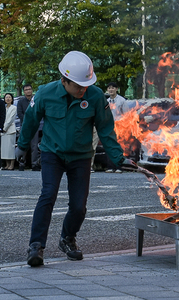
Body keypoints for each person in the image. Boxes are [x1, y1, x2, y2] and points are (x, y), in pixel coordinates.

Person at [16, 51, 135, 267]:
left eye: (85, 85)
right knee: (48, 195)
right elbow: (31, 121)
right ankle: (36, 245)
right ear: (64, 80)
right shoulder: (45, 93)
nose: (82, 89)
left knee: (79, 206)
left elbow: (106, 129)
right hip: (53, 153)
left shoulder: (96, 96)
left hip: (81, 156)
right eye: (78, 86)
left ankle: (68, 238)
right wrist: (22, 146)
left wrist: (118, 158)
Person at [104, 82, 128, 173]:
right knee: (109, 145)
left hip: (120, 126)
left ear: (116, 89)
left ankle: (119, 166)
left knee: (119, 146)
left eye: (113, 88)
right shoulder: (106, 101)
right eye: (109, 88)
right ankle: (110, 166)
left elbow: (126, 114)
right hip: (109, 126)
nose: (111, 90)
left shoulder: (122, 101)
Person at [16, 84, 41, 171]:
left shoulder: (36, 100)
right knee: (24, 145)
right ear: (24, 91)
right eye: (26, 90)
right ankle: (22, 163)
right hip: (24, 126)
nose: (28, 91)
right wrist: (27, 122)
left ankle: (34, 164)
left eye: (29, 89)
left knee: (34, 146)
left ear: (32, 90)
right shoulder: (20, 102)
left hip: (35, 126)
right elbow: (20, 113)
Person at [0, 93, 17, 170]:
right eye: (6, 97)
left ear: (12, 99)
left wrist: (5, 127)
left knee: (11, 148)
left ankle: (12, 164)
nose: (8, 99)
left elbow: (10, 119)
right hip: (3, 130)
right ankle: (7, 164)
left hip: (10, 130)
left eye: (9, 97)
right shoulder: (3, 108)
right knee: (5, 148)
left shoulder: (14, 108)